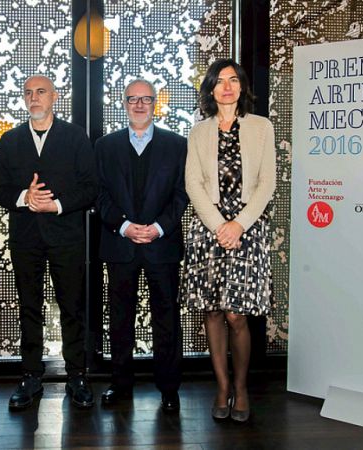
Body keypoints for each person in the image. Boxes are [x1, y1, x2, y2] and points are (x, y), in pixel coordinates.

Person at [0, 75, 98, 410]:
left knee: (72, 308)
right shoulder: (10, 140)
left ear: (55, 97)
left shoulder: (76, 137)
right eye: (28, 93)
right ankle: (30, 377)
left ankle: (77, 376)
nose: (34, 98)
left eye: (41, 92)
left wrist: (57, 204)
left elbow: (91, 188)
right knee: (29, 308)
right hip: (26, 239)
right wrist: (25, 196)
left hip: (67, 238)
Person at [184, 59, 276, 423]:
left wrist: (237, 225)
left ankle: (242, 387)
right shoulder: (198, 131)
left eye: (233, 80)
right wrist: (220, 225)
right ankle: (221, 387)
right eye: (219, 81)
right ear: (210, 89)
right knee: (213, 311)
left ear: (242, 87)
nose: (227, 86)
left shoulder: (261, 127)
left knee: (237, 315)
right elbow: (193, 184)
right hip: (209, 229)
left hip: (248, 230)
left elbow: (266, 183)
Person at [95, 79, 187, 412]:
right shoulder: (105, 146)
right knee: (120, 318)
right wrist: (124, 227)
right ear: (123, 103)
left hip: (162, 247)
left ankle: (169, 387)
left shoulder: (178, 145)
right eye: (132, 99)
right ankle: (120, 384)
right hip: (121, 245)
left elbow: (182, 193)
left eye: (145, 99)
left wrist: (159, 228)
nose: (138, 105)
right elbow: (99, 195)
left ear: (155, 103)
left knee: (167, 317)